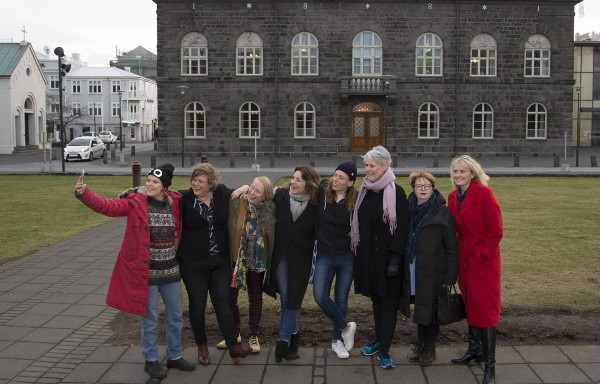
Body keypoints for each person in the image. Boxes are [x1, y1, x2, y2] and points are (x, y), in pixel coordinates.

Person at [74, 164, 195, 380]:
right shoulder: (134, 203)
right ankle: (151, 360)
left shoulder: (174, 203)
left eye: (154, 182)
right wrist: (85, 195)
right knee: (150, 319)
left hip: (171, 272)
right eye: (148, 180)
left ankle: (175, 355)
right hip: (146, 274)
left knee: (176, 316)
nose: (149, 184)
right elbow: (108, 206)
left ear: (164, 187)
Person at [176, 163, 250, 365]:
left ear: (211, 183)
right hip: (193, 263)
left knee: (223, 303)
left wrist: (244, 188)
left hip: (220, 262)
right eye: (194, 179)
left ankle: (233, 345)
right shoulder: (184, 198)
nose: (195, 184)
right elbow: (160, 195)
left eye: (200, 181)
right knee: (198, 306)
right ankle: (201, 345)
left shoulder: (222, 194)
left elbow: (246, 190)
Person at [351, 146, 409, 369]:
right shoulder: (365, 190)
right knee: (376, 301)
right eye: (366, 165)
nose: (367, 170)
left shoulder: (397, 192)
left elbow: (401, 229)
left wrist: (394, 260)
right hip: (368, 260)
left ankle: (385, 348)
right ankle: (379, 340)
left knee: (388, 304)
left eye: (371, 166)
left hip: (388, 261)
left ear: (385, 166)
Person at [447, 155, 503, 384]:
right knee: (470, 304)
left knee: (486, 311)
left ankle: (490, 366)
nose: (458, 175)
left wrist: (482, 255)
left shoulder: (484, 194)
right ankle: (475, 349)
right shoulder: (452, 197)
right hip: (463, 257)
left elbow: (496, 230)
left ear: (472, 173)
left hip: (483, 261)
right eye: (455, 172)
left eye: (462, 171)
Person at [401, 172, 458, 366]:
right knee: (420, 306)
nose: (423, 189)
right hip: (413, 266)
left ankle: (429, 347)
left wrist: (450, 276)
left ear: (432, 188)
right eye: (419, 186)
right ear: (413, 188)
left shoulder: (442, 212)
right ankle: (420, 344)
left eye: (427, 186)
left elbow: (451, 246)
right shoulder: (407, 209)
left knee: (431, 309)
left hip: (434, 270)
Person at [264, 165, 320, 363]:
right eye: (293, 178)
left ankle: (284, 339)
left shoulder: (316, 204)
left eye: (299, 180)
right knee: (287, 295)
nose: (294, 182)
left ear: (309, 184)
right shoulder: (280, 196)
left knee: (293, 296)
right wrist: (242, 188)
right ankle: (290, 336)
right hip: (281, 255)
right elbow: (258, 190)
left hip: (301, 259)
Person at [221, 176, 276, 354]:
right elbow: (220, 191)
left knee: (255, 297)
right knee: (230, 297)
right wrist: (243, 186)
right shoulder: (236, 202)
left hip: (258, 259)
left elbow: (287, 188)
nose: (252, 192)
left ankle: (254, 334)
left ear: (265, 196)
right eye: (251, 187)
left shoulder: (270, 209)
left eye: (257, 191)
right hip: (236, 258)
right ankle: (234, 332)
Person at [313, 162, 358, 359]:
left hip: (347, 255)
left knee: (341, 298)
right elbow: (297, 187)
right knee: (320, 297)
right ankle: (346, 327)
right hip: (324, 254)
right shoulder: (322, 193)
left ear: (350, 182)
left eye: (341, 177)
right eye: (335, 175)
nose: (336, 180)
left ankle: (336, 341)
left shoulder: (356, 200)